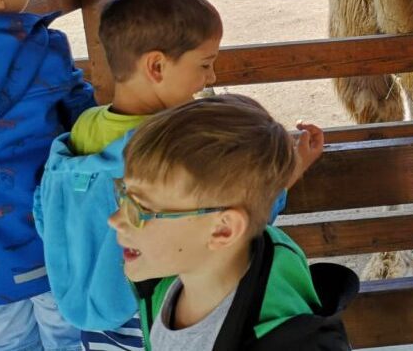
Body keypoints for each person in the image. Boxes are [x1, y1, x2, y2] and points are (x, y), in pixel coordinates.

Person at [34, 0, 323, 350]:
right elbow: (222, 223)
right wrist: (286, 175)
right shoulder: (169, 150)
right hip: (145, 312)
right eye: (205, 64)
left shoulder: (83, 129)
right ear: (156, 67)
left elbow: (45, 215)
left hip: (88, 319)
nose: (211, 77)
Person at [112, 95, 357, 350]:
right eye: (122, 194)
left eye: (141, 209)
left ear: (223, 229)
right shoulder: (168, 279)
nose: (115, 219)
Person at [0, 0, 93, 351]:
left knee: (9, 344)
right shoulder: (46, 49)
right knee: (67, 339)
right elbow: (82, 117)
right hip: (52, 244)